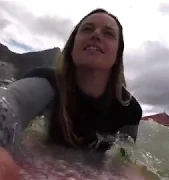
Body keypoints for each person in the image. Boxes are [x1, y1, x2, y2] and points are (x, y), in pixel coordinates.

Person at [0, 8, 142, 158]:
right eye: (87, 29)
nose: (96, 34)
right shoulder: (48, 82)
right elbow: (11, 100)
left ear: (118, 54)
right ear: (72, 46)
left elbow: (125, 158)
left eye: (108, 33)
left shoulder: (129, 109)